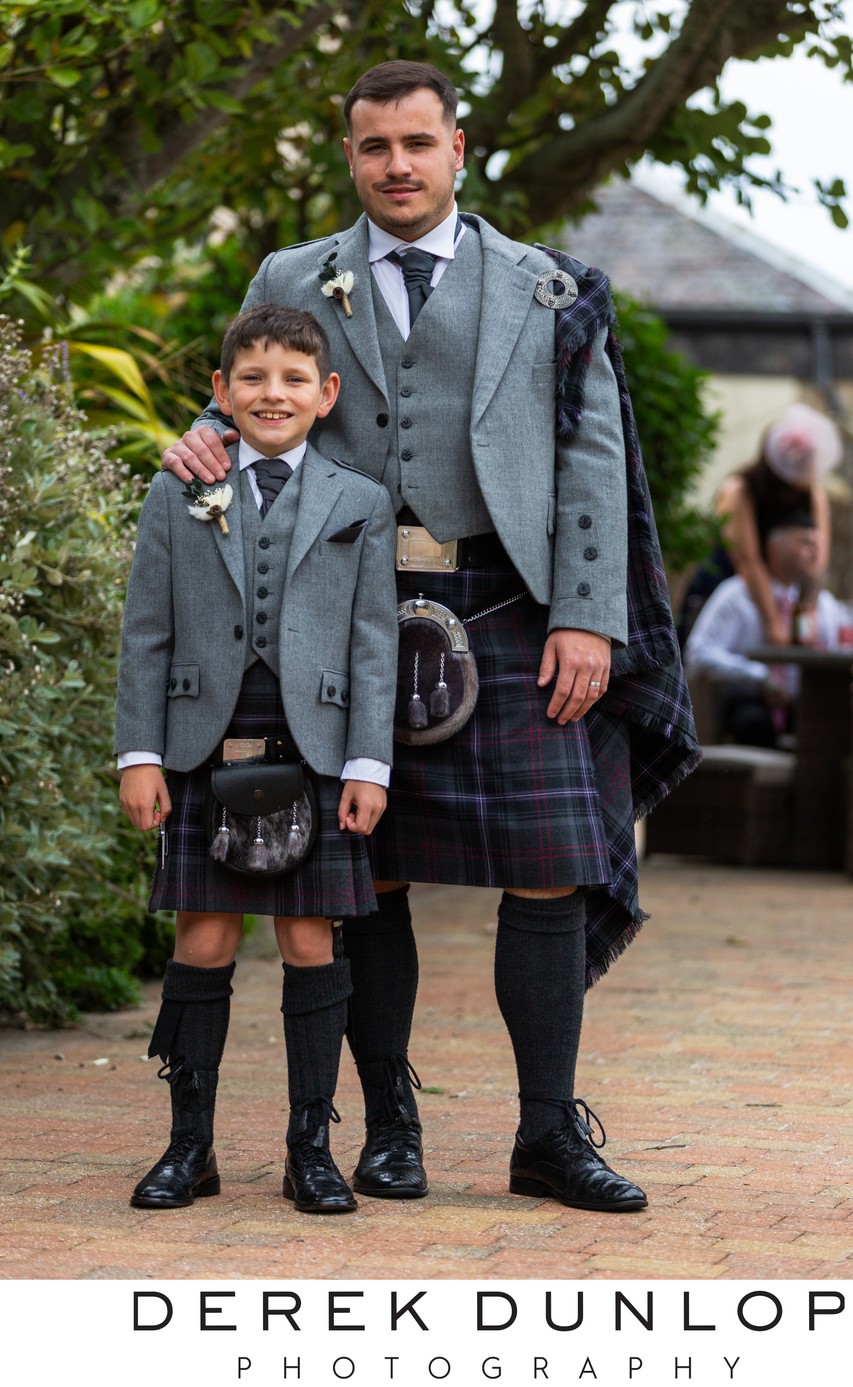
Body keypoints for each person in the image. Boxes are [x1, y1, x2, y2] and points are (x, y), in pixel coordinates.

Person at [162, 60, 699, 1213]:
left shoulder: (547, 287)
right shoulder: (292, 275)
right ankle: (390, 1129)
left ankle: (547, 1135)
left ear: (458, 149)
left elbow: (591, 466)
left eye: (416, 144)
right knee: (372, 873)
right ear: (348, 155)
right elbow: (250, 400)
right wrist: (200, 439)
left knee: (552, 869)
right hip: (341, 619)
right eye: (372, 148)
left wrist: (586, 616)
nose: (395, 166)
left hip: (510, 613)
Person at [115, 304, 399, 1214]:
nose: (270, 394)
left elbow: (372, 647)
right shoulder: (178, 488)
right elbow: (146, 634)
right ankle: (187, 1146)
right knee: (200, 938)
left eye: (290, 380)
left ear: (327, 395)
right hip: (203, 744)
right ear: (221, 393)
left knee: (311, 941)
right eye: (251, 378)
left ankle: (309, 1148)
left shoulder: (360, 500)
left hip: (316, 748)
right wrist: (140, 753)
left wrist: (368, 763)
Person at [680, 403, 842, 647]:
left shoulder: (814, 494)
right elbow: (748, 559)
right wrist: (772, 621)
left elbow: (817, 562)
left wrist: (806, 612)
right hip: (732, 583)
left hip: (782, 593)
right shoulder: (741, 489)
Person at [684, 517, 849, 748]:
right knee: (754, 724)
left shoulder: (823, 605)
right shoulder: (736, 594)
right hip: (749, 702)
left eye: (817, 544)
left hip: (804, 708)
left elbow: (838, 651)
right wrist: (757, 675)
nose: (814, 551)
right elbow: (697, 653)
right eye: (804, 542)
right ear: (773, 550)